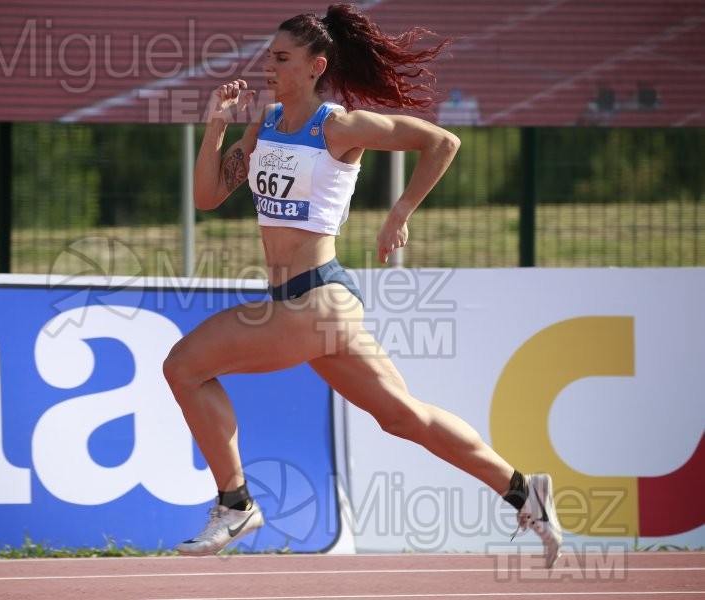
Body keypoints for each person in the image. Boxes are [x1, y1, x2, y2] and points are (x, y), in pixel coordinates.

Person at [162, 4, 562, 567]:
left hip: (316, 301)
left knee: (183, 365)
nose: (268, 67)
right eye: (268, 57)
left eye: (281, 58)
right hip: (310, 309)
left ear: (315, 65)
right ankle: (524, 490)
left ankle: (235, 503)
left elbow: (442, 142)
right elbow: (207, 197)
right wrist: (216, 126)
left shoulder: (339, 124)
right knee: (403, 416)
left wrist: (400, 212)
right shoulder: (267, 123)